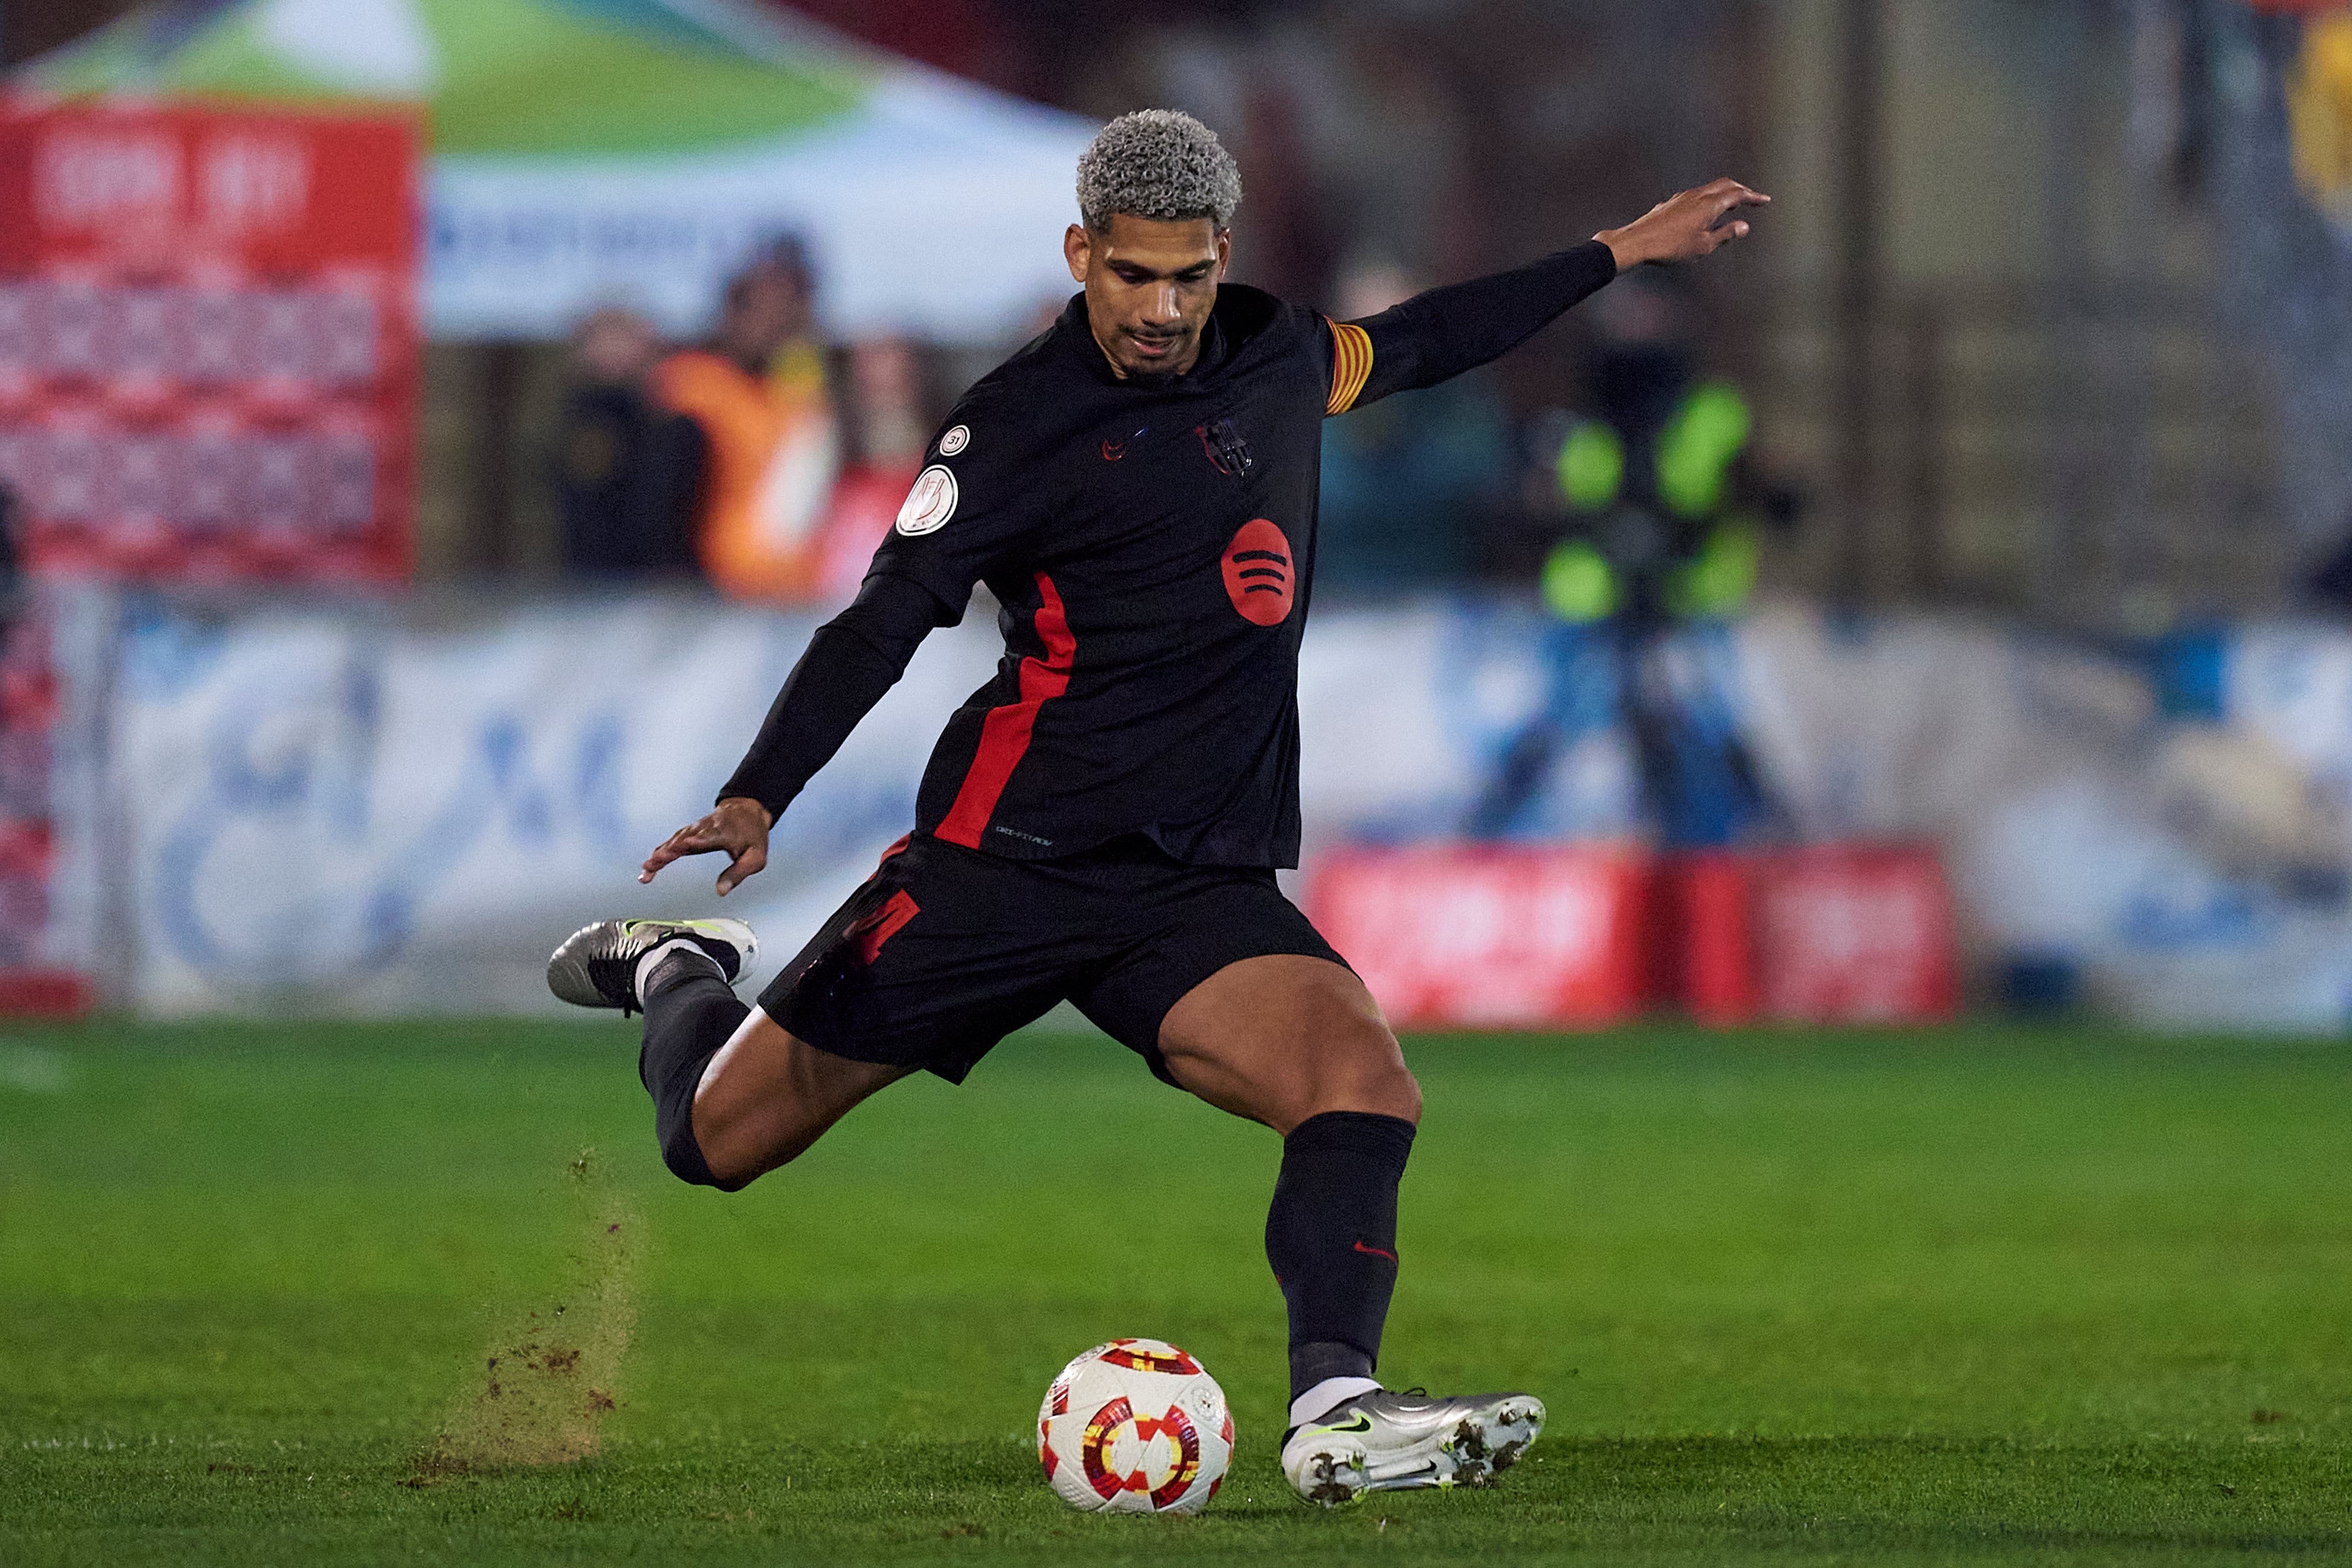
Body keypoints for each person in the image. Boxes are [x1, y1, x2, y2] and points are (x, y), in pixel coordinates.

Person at [547, 111, 1765, 1505]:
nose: (1163, 309)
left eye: (1188, 276)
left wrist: (1616, 251)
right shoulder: (1012, 426)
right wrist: (761, 790)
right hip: (999, 867)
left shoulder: (1280, 355)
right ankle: (678, 974)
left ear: (1220, 260)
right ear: (1083, 256)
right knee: (713, 1143)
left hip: (1191, 882)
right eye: (1134, 276)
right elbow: (887, 616)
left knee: (1359, 1083)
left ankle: (1339, 1409)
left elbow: (1432, 337)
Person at [1467, 272, 1795, 845]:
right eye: (1625, 312)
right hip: (1590, 609)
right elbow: (1520, 510)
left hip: (1689, 608)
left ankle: (1747, 850)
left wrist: (1736, 503)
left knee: (1709, 737)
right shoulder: (1569, 415)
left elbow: (1767, 494)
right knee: (1551, 734)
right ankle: (1487, 852)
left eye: (1650, 311)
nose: (1636, 326)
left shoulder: (1714, 413)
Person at [653, 238, 841, 601]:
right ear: (734, 313)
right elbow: (667, 502)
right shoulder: (691, 385)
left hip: (797, 588)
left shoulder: (796, 390)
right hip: (712, 588)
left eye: (788, 312)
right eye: (765, 311)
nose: (776, 325)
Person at [551, 307, 704, 580]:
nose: (615, 350)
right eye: (605, 338)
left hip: (670, 581)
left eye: (624, 337)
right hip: (594, 583)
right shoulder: (574, 423)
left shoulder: (678, 420)